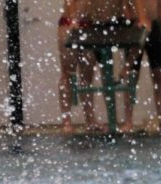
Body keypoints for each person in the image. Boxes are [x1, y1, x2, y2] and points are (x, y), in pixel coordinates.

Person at [74, 0, 151, 132]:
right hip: (94, 26)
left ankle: (125, 70)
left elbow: (138, 6)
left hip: (116, 24)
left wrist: (141, 19)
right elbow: (82, 10)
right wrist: (76, 22)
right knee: (90, 74)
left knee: (140, 39)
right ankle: (91, 120)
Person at [58, 0, 100, 133]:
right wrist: (73, 19)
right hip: (68, 24)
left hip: (89, 27)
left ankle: (90, 120)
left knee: (87, 77)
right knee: (67, 73)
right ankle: (67, 121)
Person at [130, 0, 161, 133]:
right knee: (132, 75)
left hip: (154, 27)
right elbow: (123, 5)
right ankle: (128, 120)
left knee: (158, 74)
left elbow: (160, 7)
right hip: (135, 27)